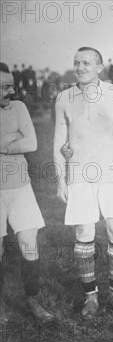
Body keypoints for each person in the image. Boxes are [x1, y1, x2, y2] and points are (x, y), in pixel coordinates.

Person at [54, 47, 113, 319]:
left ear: (100, 67)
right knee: (83, 236)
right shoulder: (64, 97)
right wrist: (61, 180)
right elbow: (57, 143)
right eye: (76, 62)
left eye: (86, 63)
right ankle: (91, 296)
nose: (80, 67)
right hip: (79, 176)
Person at [0, 62, 54, 322]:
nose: (8, 91)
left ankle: (32, 300)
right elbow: (22, 141)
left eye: (10, 85)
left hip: (21, 188)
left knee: (29, 245)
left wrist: (3, 145)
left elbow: (31, 142)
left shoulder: (19, 107)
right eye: (2, 87)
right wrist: (13, 140)